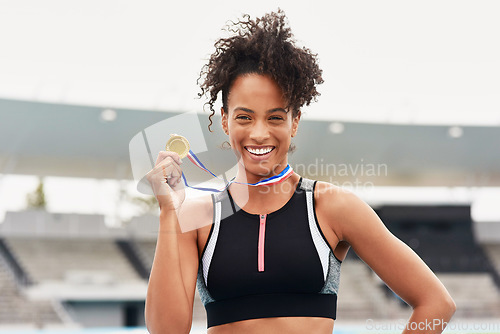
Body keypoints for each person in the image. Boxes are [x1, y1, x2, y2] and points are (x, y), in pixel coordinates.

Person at [144, 9, 456, 334]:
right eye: (244, 117)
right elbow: (167, 331)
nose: (260, 133)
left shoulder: (332, 206)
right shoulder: (195, 216)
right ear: (224, 120)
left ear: (295, 121)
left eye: (276, 117)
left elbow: (436, 303)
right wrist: (169, 211)